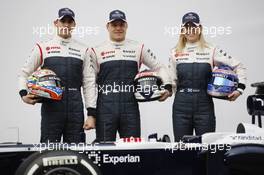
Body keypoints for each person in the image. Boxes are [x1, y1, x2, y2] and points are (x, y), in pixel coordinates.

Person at [83, 10, 172, 141]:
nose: (118, 28)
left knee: (133, 152)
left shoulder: (139, 48)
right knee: (105, 151)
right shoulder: (95, 51)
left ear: (126, 26)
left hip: (130, 110)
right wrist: (91, 113)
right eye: (114, 25)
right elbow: (90, 82)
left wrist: (168, 86)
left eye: (121, 24)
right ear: (107, 27)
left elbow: (159, 67)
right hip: (105, 111)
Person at [168, 12, 246, 141]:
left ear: (200, 29)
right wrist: (166, 90)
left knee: (206, 150)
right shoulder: (174, 52)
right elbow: (172, 81)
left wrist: (239, 89)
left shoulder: (212, 49)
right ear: (182, 30)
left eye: (194, 26)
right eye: (187, 27)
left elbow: (239, 66)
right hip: (181, 106)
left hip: (204, 106)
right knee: (181, 151)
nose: (190, 30)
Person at [18, 8, 90, 143]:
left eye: (70, 22)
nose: (66, 25)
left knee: (76, 154)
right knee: (48, 153)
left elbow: (88, 83)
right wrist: (23, 94)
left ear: (74, 25)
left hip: (75, 109)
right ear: (56, 23)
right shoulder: (43, 47)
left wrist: (91, 113)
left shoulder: (84, 49)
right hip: (51, 109)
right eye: (63, 21)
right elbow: (24, 73)